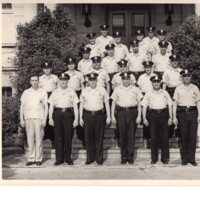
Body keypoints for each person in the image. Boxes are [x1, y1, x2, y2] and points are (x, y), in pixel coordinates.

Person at [111, 72, 142, 164]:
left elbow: (140, 103)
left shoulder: (135, 89)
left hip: (132, 113)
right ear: (122, 80)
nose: (126, 81)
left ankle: (130, 157)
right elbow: (113, 103)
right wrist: (113, 115)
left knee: (131, 135)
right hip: (121, 113)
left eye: (127, 79)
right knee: (122, 135)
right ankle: (123, 157)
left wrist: (139, 116)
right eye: (124, 79)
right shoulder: (117, 89)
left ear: (130, 80)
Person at [79, 72, 111, 165]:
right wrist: (80, 117)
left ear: (97, 80)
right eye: (90, 80)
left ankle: (99, 159)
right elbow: (81, 104)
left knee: (99, 137)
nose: (92, 82)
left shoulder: (102, 90)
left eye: (94, 80)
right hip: (87, 115)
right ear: (88, 81)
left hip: (99, 115)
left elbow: (106, 103)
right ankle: (90, 158)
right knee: (88, 137)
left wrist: (108, 116)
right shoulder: (84, 90)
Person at [48, 73, 79, 166]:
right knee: (58, 137)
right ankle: (59, 159)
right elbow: (51, 106)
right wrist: (50, 118)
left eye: (65, 80)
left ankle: (68, 158)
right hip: (57, 114)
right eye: (61, 80)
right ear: (59, 81)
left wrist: (76, 119)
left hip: (68, 114)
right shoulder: (55, 92)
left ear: (67, 81)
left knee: (68, 137)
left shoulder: (71, 92)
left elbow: (75, 106)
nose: (63, 82)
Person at [142, 74, 173, 164]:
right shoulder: (148, 93)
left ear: (160, 83)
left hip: (164, 114)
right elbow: (144, 106)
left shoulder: (164, 92)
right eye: (154, 82)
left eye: (158, 82)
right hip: (153, 115)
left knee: (165, 136)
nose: (156, 83)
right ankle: (154, 158)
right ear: (152, 83)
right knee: (153, 136)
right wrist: (144, 118)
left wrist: (170, 117)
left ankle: (165, 158)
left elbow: (170, 105)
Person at [173, 69, 200, 166]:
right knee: (183, 136)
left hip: (193, 113)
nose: (187, 77)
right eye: (185, 76)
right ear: (182, 78)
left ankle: (192, 159)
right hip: (182, 114)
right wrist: (174, 116)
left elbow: (198, 102)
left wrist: (199, 115)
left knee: (192, 136)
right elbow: (175, 103)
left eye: (188, 76)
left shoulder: (195, 88)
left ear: (191, 77)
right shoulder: (178, 89)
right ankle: (184, 159)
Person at [20, 74, 48, 166]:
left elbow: (46, 106)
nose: (34, 82)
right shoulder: (26, 92)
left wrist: (44, 119)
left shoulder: (43, 92)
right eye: (33, 80)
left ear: (38, 81)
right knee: (30, 139)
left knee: (39, 138)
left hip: (39, 117)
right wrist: (22, 119)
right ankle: (31, 158)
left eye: (36, 80)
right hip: (28, 118)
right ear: (30, 82)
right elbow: (22, 106)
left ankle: (38, 158)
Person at [64, 57, 85, 148]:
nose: (71, 65)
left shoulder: (79, 74)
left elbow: (82, 86)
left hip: (78, 93)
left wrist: (83, 96)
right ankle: (68, 140)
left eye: (72, 64)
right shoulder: (64, 74)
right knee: (69, 116)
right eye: (69, 64)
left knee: (79, 115)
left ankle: (83, 140)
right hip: (68, 95)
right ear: (67, 65)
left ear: (75, 65)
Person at [162, 53, 182, 139]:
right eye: (173, 61)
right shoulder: (167, 71)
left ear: (178, 62)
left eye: (176, 61)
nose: (175, 62)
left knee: (179, 111)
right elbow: (164, 83)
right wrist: (163, 93)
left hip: (179, 92)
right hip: (170, 91)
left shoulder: (181, 71)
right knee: (169, 111)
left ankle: (179, 135)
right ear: (171, 62)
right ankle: (169, 135)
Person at [39, 61, 58, 148]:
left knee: (53, 116)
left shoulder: (55, 77)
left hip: (53, 96)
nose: (47, 70)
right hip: (44, 96)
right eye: (45, 69)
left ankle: (54, 139)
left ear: (51, 69)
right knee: (44, 116)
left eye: (48, 68)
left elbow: (58, 89)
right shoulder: (40, 78)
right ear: (43, 70)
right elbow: (39, 90)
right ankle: (45, 136)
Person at [137, 61, 156, 148]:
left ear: (151, 68)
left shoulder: (155, 76)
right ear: (144, 68)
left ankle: (154, 140)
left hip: (153, 96)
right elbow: (139, 88)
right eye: (146, 67)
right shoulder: (141, 77)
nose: (147, 69)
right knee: (145, 119)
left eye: (149, 67)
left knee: (153, 118)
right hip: (144, 96)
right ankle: (146, 140)